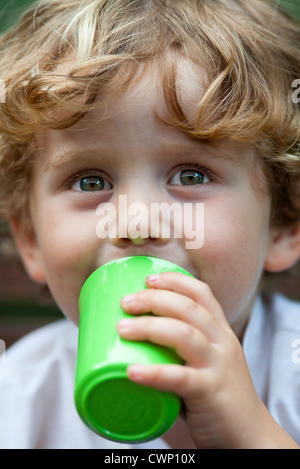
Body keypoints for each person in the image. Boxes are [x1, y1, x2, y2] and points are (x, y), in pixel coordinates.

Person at [0, 0, 299, 449]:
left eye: (192, 175)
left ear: (284, 224)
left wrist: (250, 436)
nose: (137, 221)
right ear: (31, 241)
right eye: (90, 180)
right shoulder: (20, 394)